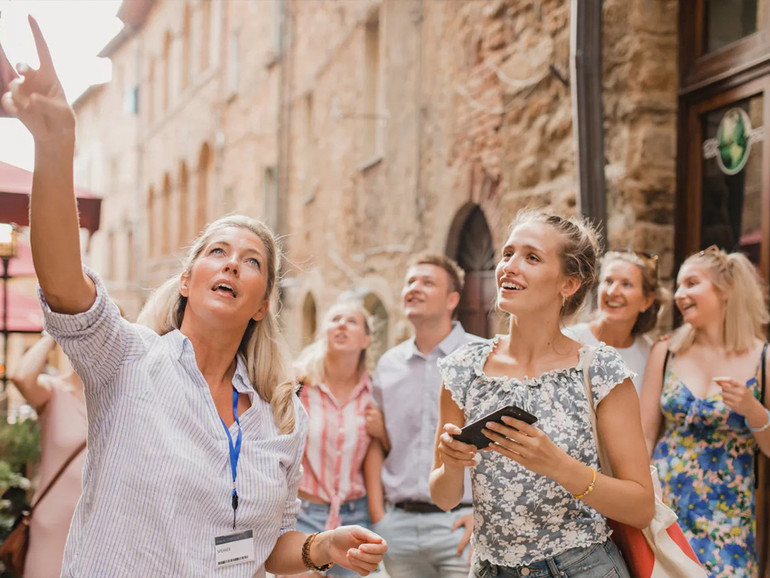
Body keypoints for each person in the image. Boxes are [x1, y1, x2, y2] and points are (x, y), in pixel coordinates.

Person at [1, 16, 386, 577]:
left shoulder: (281, 419)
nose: (232, 262)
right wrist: (55, 143)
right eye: (217, 252)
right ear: (186, 281)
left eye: (252, 261)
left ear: (261, 305)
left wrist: (320, 548)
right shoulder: (128, 360)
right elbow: (63, 281)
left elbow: (267, 546)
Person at [430, 209, 655, 578]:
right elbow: (444, 497)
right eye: (507, 254)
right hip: (490, 569)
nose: (510, 267)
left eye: (531, 258)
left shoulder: (600, 370)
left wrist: (558, 466)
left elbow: (640, 505)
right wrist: (452, 463)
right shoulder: (463, 368)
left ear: (568, 284)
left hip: (583, 568)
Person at [640, 245, 770, 577]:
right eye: (680, 286)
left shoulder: (763, 359)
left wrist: (752, 409)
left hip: (728, 516)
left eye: (692, 283)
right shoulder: (666, 351)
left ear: (726, 290)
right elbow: (644, 435)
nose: (680, 294)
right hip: (666, 507)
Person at [367, 252, 480, 578]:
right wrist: (380, 518)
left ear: (452, 299)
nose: (414, 288)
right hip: (398, 528)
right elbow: (377, 444)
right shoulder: (388, 365)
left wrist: (485, 516)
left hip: (461, 526)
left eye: (427, 283)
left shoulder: (482, 357)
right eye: (410, 282)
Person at [283, 301, 383, 578]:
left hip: (357, 519)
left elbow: (381, 453)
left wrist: (383, 432)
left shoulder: (374, 393)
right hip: (303, 517)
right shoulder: (296, 384)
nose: (341, 324)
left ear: (366, 339)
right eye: (335, 318)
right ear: (323, 331)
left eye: (351, 321)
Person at [10, 331, 86, 578]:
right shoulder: (55, 391)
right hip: (51, 530)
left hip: (102, 528)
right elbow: (21, 377)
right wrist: (54, 331)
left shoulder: (122, 400)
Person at [565, 249, 668, 393]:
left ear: (646, 301)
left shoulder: (649, 355)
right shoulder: (570, 339)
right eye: (608, 281)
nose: (612, 292)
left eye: (626, 284)